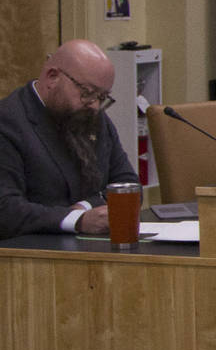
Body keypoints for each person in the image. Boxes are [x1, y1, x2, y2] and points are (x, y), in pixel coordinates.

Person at [0, 40, 140, 239]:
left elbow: (128, 186)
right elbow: (6, 209)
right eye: (87, 93)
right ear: (52, 77)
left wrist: (85, 207)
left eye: (103, 97)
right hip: (30, 256)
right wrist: (77, 220)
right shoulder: (8, 122)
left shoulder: (92, 116)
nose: (95, 105)